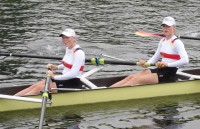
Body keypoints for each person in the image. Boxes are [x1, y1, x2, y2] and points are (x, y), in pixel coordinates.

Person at [111, 16, 189, 87]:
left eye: (168, 26)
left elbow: (185, 60)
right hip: (160, 69)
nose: (165, 28)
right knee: (131, 77)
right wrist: (146, 64)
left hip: (169, 74)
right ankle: (109, 89)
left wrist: (167, 64)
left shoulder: (177, 42)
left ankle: (112, 93)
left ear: (174, 27)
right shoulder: (162, 41)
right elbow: (155, 57)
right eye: (164, 26)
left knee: (136, 80)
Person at [15, 28, 85, 96]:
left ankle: (15, 104)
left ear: (74, 38)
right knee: (35, 85)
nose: (64, 40)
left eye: (67, 37)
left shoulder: (79, 53)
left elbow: (74, 73)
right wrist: (57, 67)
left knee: (38, 88)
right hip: (64, 79)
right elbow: (68, 65)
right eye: (63, 37)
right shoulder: (68, 49)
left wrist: (54, 77)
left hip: (72, 83)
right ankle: (13, 98)